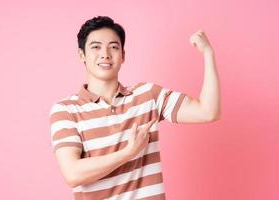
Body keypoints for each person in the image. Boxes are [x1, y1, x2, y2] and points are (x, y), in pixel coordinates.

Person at [49, 16, 221, 200]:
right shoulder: (66, 110)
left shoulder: (147, 95)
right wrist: (128, 152)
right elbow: (73, 174)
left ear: (123, 55)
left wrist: (208, 54)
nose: (105, 54)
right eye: (96, 47)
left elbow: (208, 112)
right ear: (82, 55)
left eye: (113, 47)